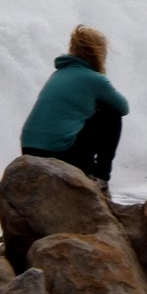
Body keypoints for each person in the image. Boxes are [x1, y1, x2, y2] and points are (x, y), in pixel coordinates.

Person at [20, 24, 129, 196]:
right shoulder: (95, 79)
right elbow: (123, 107)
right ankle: (100, 178)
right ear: (98, 53)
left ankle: (92, 175)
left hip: (29, 148)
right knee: (112, 115)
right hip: (58, 152)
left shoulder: (58, 74)